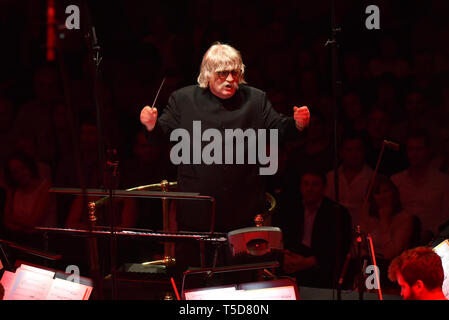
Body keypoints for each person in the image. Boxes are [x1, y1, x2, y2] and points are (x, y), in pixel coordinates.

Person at [140, 42, 310, 269]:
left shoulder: (255, 99)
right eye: (222, 73)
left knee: (240, 280)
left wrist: (297, 124)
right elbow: (163, 132)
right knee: (195, 278)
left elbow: (278, 127)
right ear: (208, 73)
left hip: (243, 210)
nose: (230, 79)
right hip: (197, 214)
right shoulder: (183, 99)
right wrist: (151, 125)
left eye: (235, 72)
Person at [276, 170, 352, 289]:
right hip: (294, 258)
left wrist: (310, 261)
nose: (309, 189)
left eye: (315, 184)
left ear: (324, 187)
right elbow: (282, 236)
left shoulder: (337, 212)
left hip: (321, 264)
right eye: (306, 184)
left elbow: (340, 247)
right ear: (300, 187)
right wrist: (285, 256)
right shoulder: (291, 208)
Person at [391, 129, 449, 243]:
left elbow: (446, 219)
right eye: (411, 149)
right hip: (400, 242)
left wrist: (432, 234)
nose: (414, 154)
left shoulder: (443, 181)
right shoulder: (396, 181)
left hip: (434, 242)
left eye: (419, 149)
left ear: (428, 151)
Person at [360, 176, 414, 288]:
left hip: (392, 271)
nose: (382, 196)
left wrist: (384, 221)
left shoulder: (405, 218)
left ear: (393, 193)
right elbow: (358, 246)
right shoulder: (369, 217)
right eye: (377, 193)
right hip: (371, 267)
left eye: (386, 191)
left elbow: (390, 254)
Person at [325, 131, 373, 228]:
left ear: (364, 152)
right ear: (341, 153)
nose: (353, 154)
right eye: (348, 149)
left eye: (358, 149)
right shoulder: (330, 177)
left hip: (363, 230)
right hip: (335, 229)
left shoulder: (372, 178)